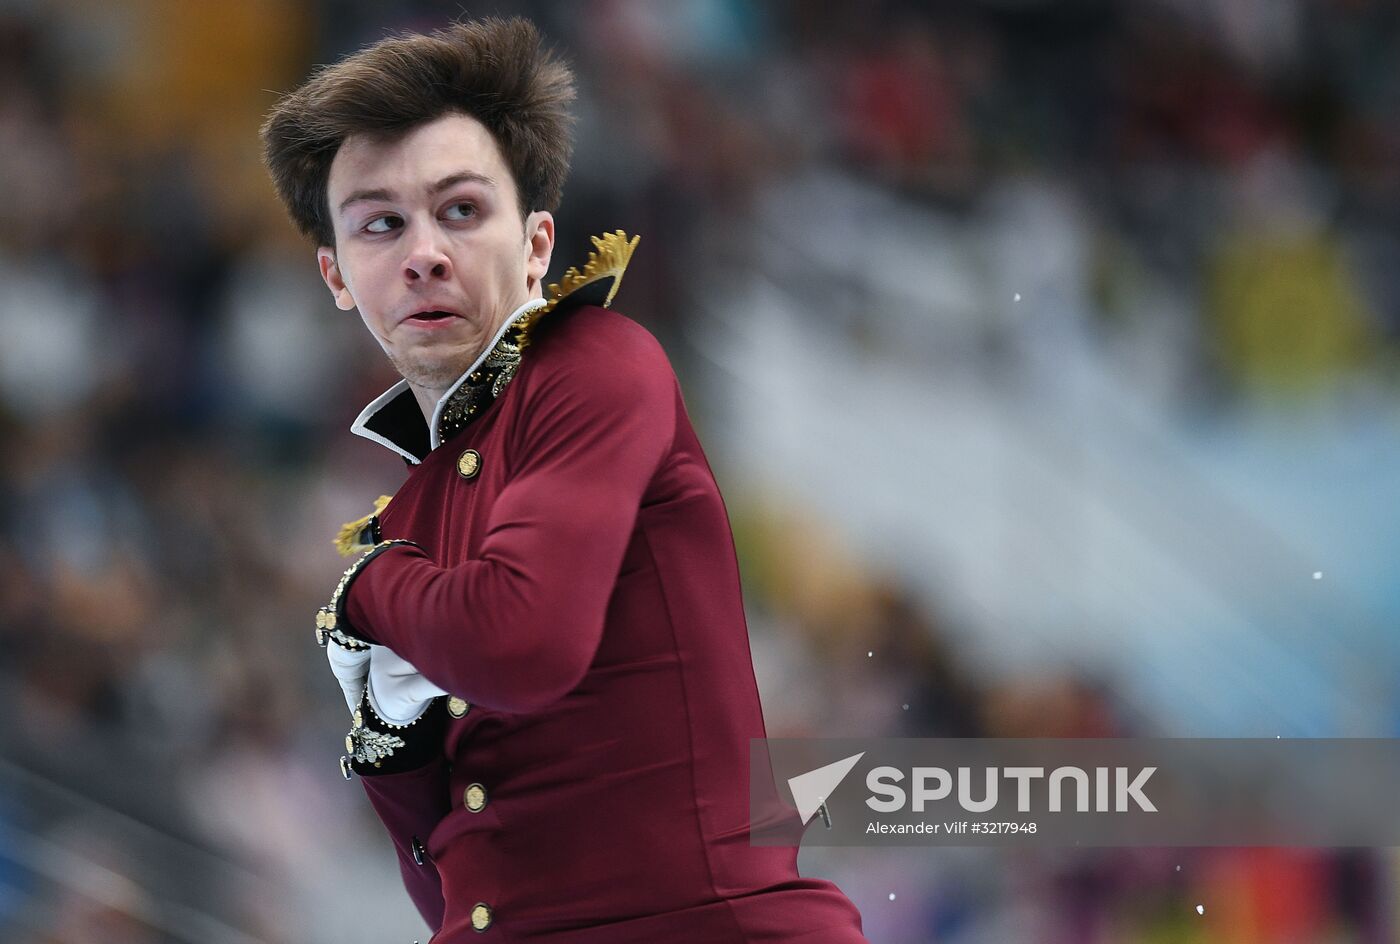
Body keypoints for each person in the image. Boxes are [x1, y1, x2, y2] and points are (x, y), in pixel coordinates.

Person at [260, 17, 868, 943]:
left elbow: (521, 644)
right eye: (380, 224)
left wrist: (369, 595)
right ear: (338, 275)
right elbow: (450, 890)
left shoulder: (596, 365)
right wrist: (389, 732)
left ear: (539, 245)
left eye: (461, 210)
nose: (423, 252)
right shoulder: (407, 521)